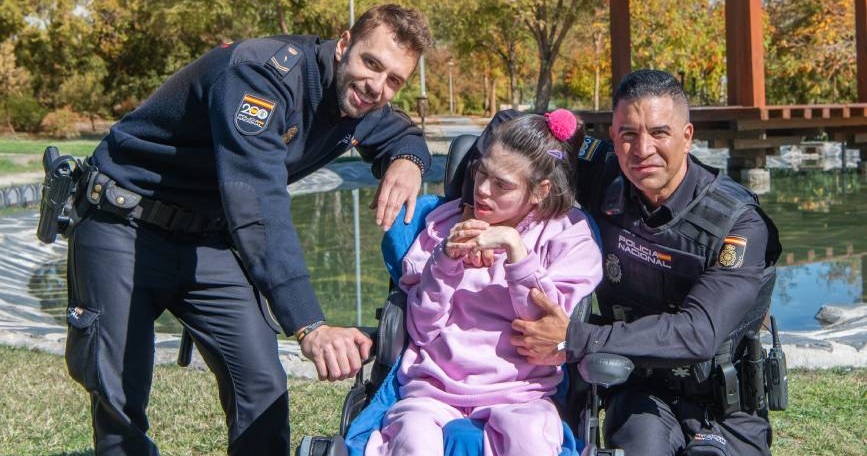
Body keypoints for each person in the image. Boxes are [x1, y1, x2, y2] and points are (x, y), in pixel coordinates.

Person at [61, 4, 433, 455]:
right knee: (119, 390)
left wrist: (409, 162)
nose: (377, 85)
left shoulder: (363, 102)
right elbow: (256, 202)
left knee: (260, 383)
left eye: (395, 79)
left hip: (208, 239)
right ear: (343, 45)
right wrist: (310, 325)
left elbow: (401, 134)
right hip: (124, 223)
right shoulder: (259, 76)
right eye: (370, 63)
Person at [497, 70, 781, 456]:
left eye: (659, 133)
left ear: (687, 137)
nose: (642, 149)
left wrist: (576, 337)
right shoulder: (603, 173)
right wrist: (456, 196)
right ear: (612, 137)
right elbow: (504, 128)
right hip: (638, 388)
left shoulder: (737, 221)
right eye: (628, 134)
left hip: (727, 404)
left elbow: (699, 332)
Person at [364, 110, 603, 456]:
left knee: (530, 440)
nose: (483, 191)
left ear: (540, 191)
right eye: (481, 173)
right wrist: (444, 262)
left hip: (522, 390)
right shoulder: (441, 226)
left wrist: (516, 250)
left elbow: (545, 334)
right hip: (432, 386)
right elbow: (422, 328)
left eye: (502, 184)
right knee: (411, 439)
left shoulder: (568, 235)